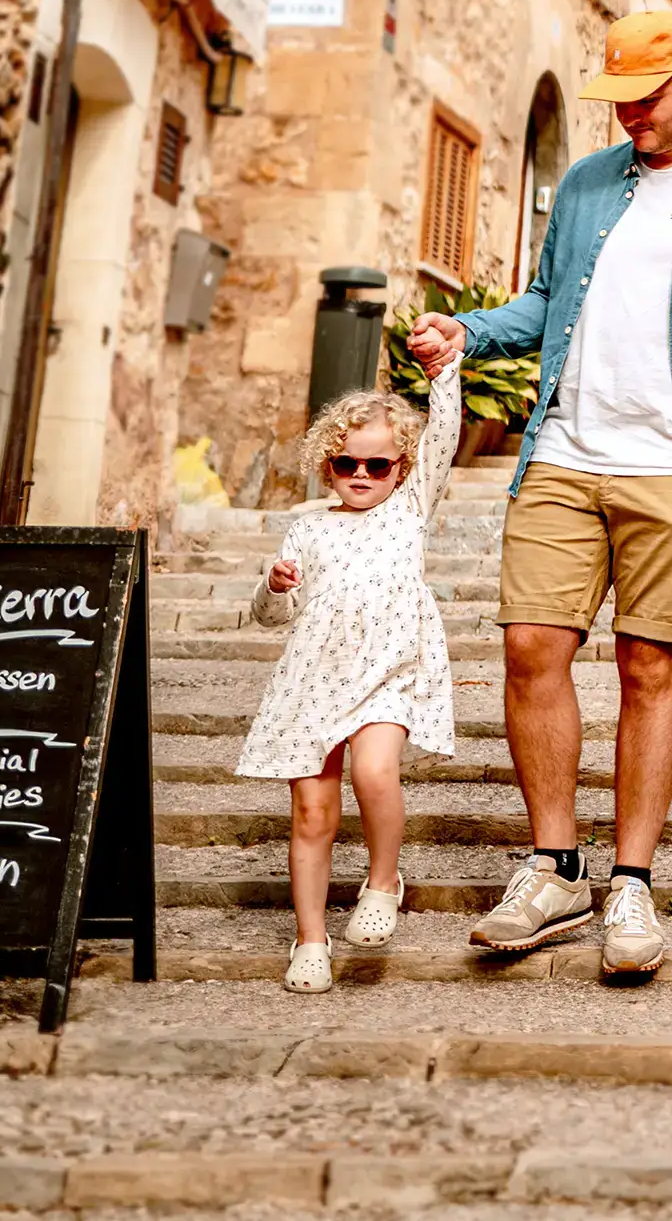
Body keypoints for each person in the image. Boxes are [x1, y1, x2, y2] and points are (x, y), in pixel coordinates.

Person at [405, 8, 672, 979]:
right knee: (530, 645)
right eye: (617, 97)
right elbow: (551, 302)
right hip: (564, 451)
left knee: (648, 665)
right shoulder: (589, 184)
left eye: (645, 97)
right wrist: (471, 332)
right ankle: (554, 869)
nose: (627, 113)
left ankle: (631, 880)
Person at [238, 383, 461, 993]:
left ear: (404, 469)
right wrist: (276, 587)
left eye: (377, 464)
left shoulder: (411, 507)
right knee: (312, 813)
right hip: (312, 681)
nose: (361, 474)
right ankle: (310, 939)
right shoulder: (308, 531)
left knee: (375, 772)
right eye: (347, 463)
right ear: (328, 464)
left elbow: (444, 430)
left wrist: (447, 367)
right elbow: (270, 617)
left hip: (389, 672)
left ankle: (383, 882)